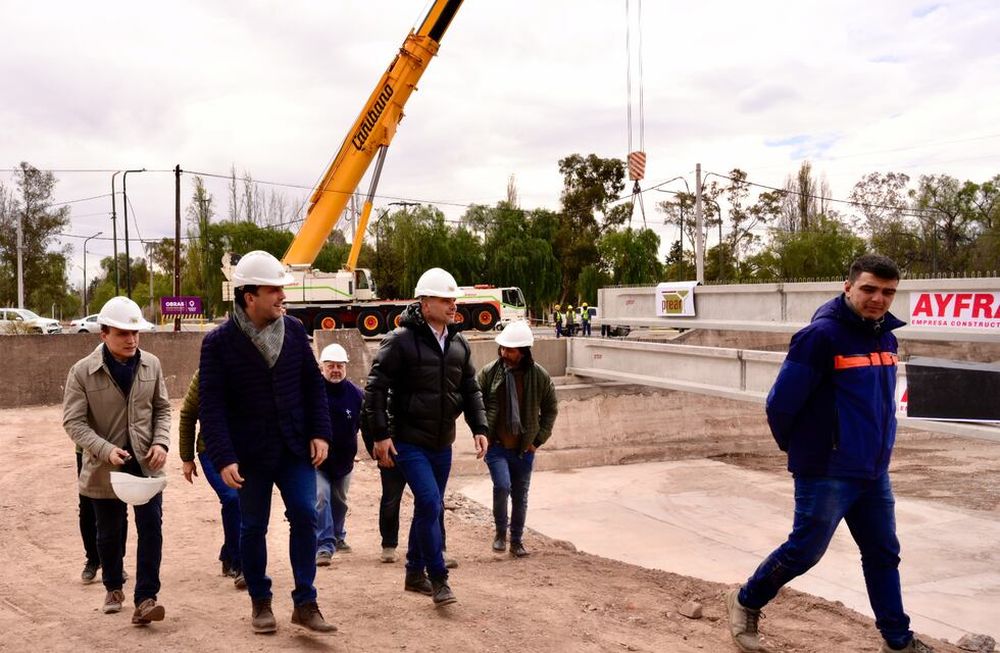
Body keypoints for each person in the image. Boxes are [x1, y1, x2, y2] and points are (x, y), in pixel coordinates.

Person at [725, 254, 933, 653]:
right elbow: (780, 405)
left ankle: (897, 640)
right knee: (804, 551)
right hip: (827, 469)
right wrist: (809, 451)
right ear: (848, 286)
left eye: (888, 292)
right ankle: (745, 600)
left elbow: (878, 404)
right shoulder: (820, 337)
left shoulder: (886, 337)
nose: (878, 298)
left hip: (873, 471)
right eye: (869, 288)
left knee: (883, 553)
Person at [199, 250, 336, 634]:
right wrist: (224, 456)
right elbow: (212, 407)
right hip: (249, 455)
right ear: (249, 296)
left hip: (294, 448)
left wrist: (320, 432)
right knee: (253, 527)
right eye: (274, 290)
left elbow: (313, 386)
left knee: (306, 516)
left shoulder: (293, 330)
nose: (282, 296)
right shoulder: (218, 344)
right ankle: (260, 600)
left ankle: (306, 602)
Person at [362, 267, 489, 606]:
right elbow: (375, 388)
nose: (452, 305)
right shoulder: (400, 340)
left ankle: (413, 573)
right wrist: (380, 436)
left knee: (426, 507)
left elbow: (471, 388)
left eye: (454, 300)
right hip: (408, 440)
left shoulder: (459, 343)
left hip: (441, 443)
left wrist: (480, 428)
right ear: (425, 302)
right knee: (431, 503)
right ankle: (439, 578)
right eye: (445, 299)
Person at [63, 296, 170, 625]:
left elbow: (163, 409)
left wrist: (162, 442)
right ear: (103, 334)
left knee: (151, 529)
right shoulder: (82, 372)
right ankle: (112, 586)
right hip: (103, 468)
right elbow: (73, 422)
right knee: (109, 533)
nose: (131, 339)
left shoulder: (151, 364)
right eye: (122, 333)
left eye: (135, 332)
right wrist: (104, 449)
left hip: (146, 464)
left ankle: (146, 597)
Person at [476, 320, 558, 558]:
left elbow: (551, 409)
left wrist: (537, 440)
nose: (504, 353)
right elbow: (476, 404)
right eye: (502, 348)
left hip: (524, 449)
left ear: (523, 352)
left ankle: (517, 540)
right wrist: (482, 433)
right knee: (502, 487)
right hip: (497, 447)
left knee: (520, 496)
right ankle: (500, 533)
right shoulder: (489, 373)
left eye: (510, 349)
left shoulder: (539, 376)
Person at [178, 370, 245, 589]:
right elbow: (188, 415)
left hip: (245, 451)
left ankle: (228, 552)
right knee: (232, 498)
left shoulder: (251, 366)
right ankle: (239, 563)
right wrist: (187, 458)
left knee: (245, 503)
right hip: (212, 451)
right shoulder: (204, 374)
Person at [314, 343, 363, 566]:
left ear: (346, 367)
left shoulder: (356, 395)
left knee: (339, 501)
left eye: (339, 366)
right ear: (321, 367)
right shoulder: (312, 393)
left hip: (344, 461)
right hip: (317, 461)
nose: (335, 370)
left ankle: (338, 535)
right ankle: (324, 545)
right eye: (330, 366)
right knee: (322, 497)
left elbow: (366, 425)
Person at [77, 445, 128, 584]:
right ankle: (93, 559)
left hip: (119, 448)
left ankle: (117, 562)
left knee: (120, 506)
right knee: (87, 507)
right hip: (88, 451)